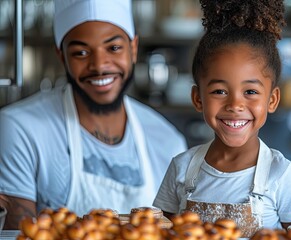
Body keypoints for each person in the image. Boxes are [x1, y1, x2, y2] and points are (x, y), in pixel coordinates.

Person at [0, 0, 187, 229]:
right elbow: (18, 233)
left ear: (134, 48)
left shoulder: (168, 142)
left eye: (114, 48)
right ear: (62, 56)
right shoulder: (20, 129)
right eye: (81, 52)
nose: (99, 65)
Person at [153, 0, 291, 237]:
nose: (235, 105)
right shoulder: (181, 168)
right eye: (219, 91)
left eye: (250, 92)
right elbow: (158, 233)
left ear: (272, 100)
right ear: (197, 98)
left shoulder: (281, 174)